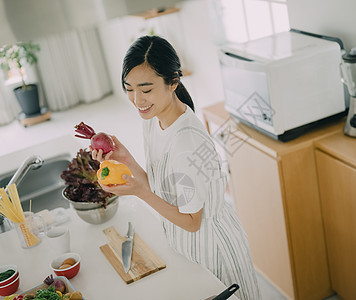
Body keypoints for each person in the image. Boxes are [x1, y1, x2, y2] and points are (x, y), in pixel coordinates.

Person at [92, 35, 261, 300]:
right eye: (129, 88)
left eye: (146, 89)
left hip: (213, 252)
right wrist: (126, 160)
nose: (137, 99)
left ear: (173, 82)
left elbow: (193, 222)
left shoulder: (187, 142)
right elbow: (162, 188)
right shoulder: (153, 118)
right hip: (185, 246)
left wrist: (140, 193)